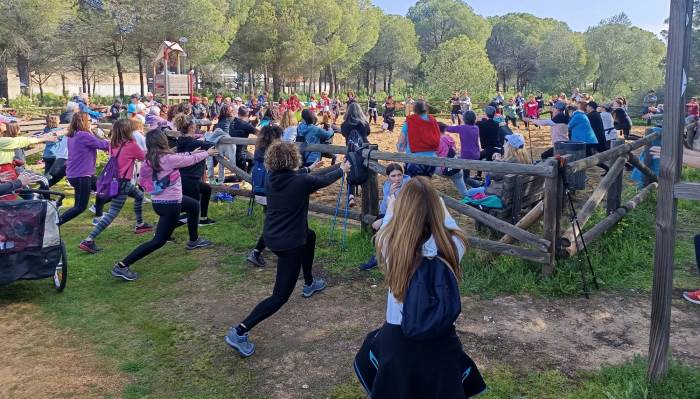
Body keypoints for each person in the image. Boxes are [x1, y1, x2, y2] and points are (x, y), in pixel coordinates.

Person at [354, 177, 486, 399]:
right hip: (441, 342)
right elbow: (451, 224)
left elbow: (388, 225)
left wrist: (394, 206)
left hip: (398, 343)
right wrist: (435, 202)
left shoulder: (389, 245)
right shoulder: (455, 246)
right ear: (437, 208)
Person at [225, 142, 350, 357]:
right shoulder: (301, 182)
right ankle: (240, 331)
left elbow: (300, 177)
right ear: (293, 159)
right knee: (279, 296)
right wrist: (342, 170)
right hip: (290, 243)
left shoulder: (272, 177)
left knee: (310, 235)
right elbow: (321, 181)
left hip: (273, 236)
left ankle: (310, 282)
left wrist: (311, 168)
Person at [112, 129, 217, 281]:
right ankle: (122, 265)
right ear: (163, 141)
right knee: (159, 240)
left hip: (161, 201)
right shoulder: (167, 159)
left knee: (194, 206)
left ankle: (194, 240)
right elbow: (188, 161)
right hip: (171, 204)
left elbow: (178, 158)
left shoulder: (150, 159)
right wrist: (208, 153)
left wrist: (191, 152)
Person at [78, 119, 153, 253]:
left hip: (115, 180)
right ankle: (88, 240)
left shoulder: (113, 144)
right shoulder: (131, 144)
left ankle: (140, 224)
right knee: (112, 213)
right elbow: (143, 158)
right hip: (123, 182)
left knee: (139, 196)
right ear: (127, 130)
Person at [58, 113, 109, 225]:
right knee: (80, 207)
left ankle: (98, 215)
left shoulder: (73, 135)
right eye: (90, 120)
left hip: (80, 174)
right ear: (84, 122)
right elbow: (102, 145)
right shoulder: (83, 135)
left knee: (104, 189)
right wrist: (115, 143)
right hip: (81, 176)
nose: (91, 122)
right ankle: (56, 223)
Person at [358, 163, 410, 271]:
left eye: (399, 175)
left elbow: (405, 208)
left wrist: (383, 220)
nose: (397, 178)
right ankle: (381, 255)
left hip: (405, 215)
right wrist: (390, 194)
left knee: (383, 227)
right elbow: (386, 206)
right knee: (377, 225)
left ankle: (382, 258)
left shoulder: (409, 185)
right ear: (388, 177)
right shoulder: (387, 185)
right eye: (393, 176)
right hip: (389, 213)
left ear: (403, 174)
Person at [246, 125, 284, 267]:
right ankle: (257, 251)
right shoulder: (274, 154)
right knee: (274, 224)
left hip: (259, 192)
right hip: (271, 194)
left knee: (273, 221)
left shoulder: (258, 151)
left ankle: (265, 250)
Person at [174, 115, 216, 226]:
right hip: (189, 179)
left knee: (206, 189)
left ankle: (203, 219)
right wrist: (203, 140)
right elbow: (212, 145)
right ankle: (166, 228)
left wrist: (200, 138)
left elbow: (194, 141)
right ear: (192, 127)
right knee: (192, 210)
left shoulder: (181, 140)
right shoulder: (194, 143)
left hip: (185, 177)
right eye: (195, 127)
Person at [0, 122, 57, 200]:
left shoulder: (8, 141)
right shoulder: (6, 141)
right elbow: (23, 141)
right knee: (9, 197)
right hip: (10, 172)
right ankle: (43, 201)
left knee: (26, 192)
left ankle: (41, 201)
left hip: (11, 172)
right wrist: (45, 138)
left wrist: (16, 162)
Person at [397, 100, 440, 177]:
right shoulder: (433, 120)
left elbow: (401, 142)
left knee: (414, 185)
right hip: (432, 160)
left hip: (414, 160)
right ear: (426, 109)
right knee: (426, 184)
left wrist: (400, 148)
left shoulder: (410, 121)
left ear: (414, 109)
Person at [444, 110, 482, 188]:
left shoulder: (462, 128)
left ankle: (480, 185)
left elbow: (448, 129)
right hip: (476, 154)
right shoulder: (476, 127)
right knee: (462, 167)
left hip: (466, 156)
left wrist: (439, 125)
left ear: (464, 119)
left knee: (465, 178)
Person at [437, 122, 470, 198]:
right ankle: (472, 203)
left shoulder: (438, 140)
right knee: (464, 192)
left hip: (446, 169)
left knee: (428, 167)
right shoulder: (449, 138)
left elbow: (436, 154)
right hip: (456, 167)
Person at [230, 106, 257, 172]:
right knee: (255, 160)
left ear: (238, 113)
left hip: (230, 152)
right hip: (240, 154)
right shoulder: (245, 124)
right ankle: (248, 177)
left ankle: (247, 176)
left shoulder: (231, 122)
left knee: (252, 160)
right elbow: (260, 133)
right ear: (247, 115)